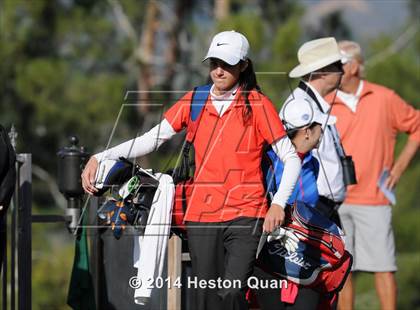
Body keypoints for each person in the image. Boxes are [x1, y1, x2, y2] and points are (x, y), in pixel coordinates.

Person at [81, 30, 302, 310]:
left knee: (232, 293)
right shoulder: (195, 100)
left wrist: (278, 205)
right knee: (205, 298)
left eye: (227, 64)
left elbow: (291, 158)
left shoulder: (257, 105)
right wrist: (102, 156)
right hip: (201, 215)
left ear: (243, 65)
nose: (218, 71)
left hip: (247, 214)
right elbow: (151, 140)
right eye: (214, 63)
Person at [327, 40, 420, 310]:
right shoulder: (325, 101)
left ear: (355, 66)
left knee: (384, 267)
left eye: (339, 64)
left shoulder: (383, 97)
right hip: (336, 200)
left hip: (374, 198)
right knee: (343, 270)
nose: (334, 69)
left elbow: (416, 126)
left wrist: (400, 166)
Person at [272, 37, 346, 309]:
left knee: (328, 285)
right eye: (339, 65)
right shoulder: (299, 106)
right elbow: (291, 163)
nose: (344, 71)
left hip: (323, 209)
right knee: (311, 289)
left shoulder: (316, 104)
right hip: (311, 211)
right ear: (324, 71)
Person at [253, 95, 338, 310]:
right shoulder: (269, 160)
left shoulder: (313, 163)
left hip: (305, 252)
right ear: (307, 131)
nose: (323, 133)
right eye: (321, 127)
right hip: (271, 250)